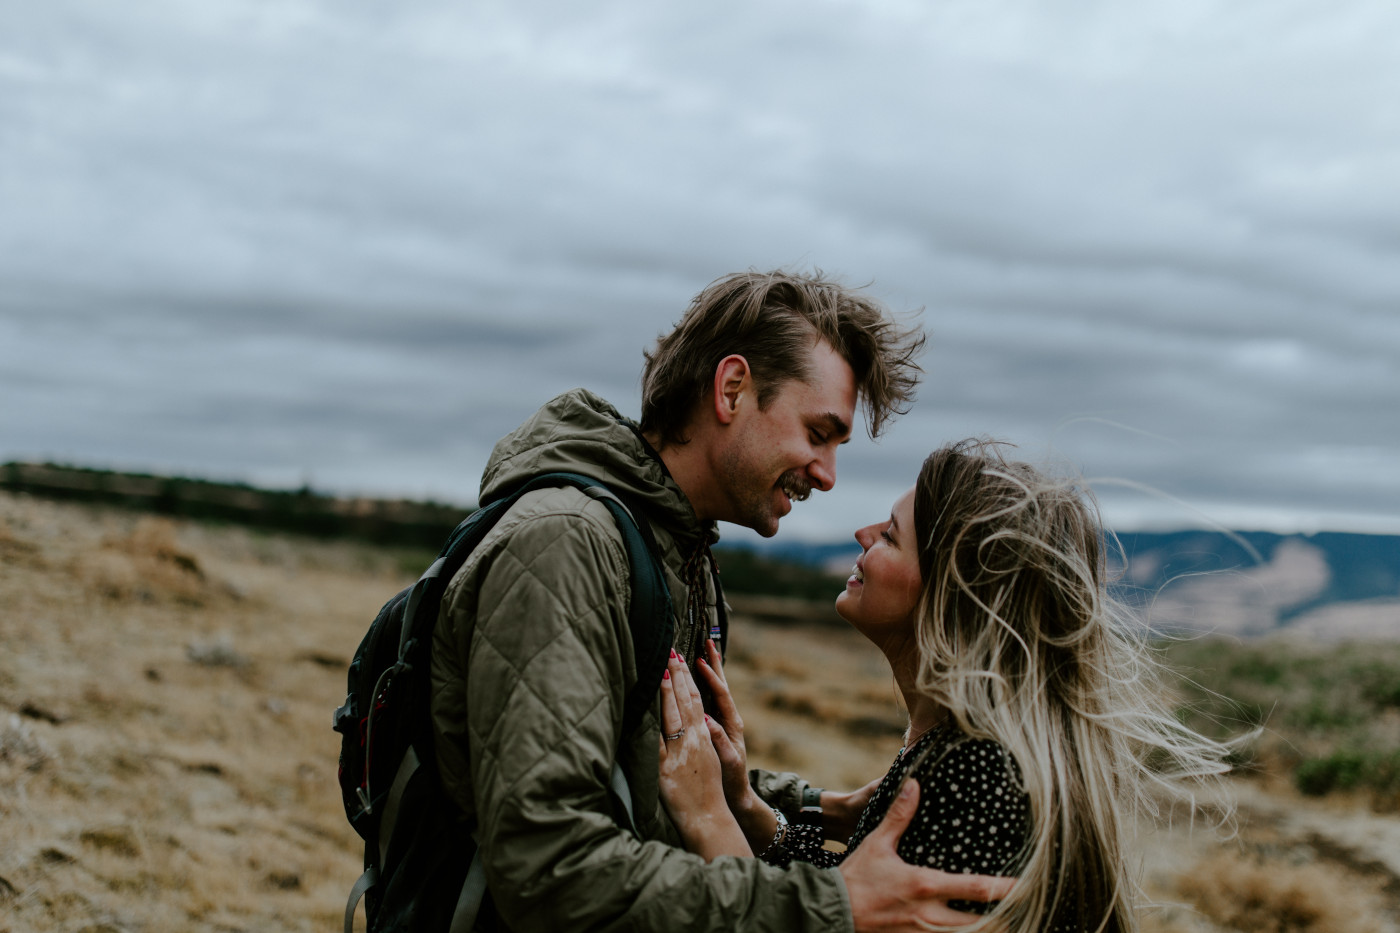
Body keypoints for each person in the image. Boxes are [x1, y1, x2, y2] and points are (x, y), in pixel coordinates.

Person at [427, 272, 1014, 931]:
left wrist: (811, 805)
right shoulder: (564, 545)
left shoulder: (679, 553)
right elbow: (549, 864)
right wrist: (826, 909)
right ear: (731, 389)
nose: (827, 473)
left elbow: (651, 778)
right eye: (819, 433)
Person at [657, 439, 1236, 932]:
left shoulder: (980, 778)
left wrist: (709, 818)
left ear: (949, 597)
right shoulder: (954, 748)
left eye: (889, 536)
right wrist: (751, 813)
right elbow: (858, 902)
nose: (862, 534)